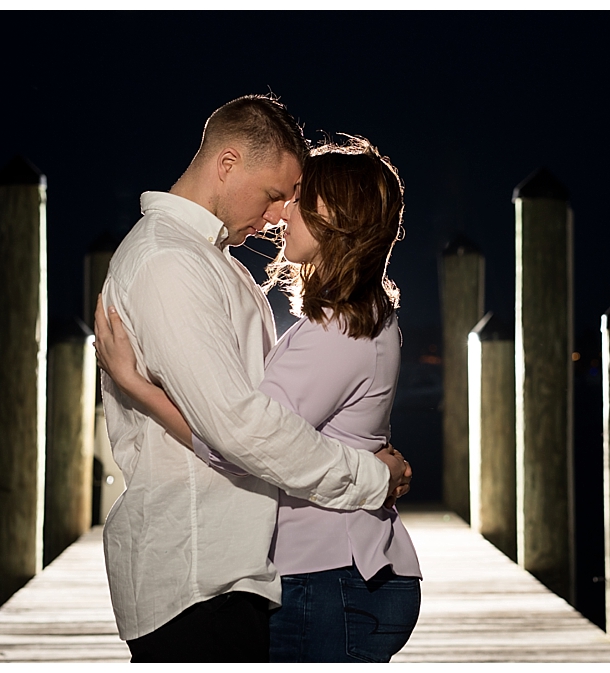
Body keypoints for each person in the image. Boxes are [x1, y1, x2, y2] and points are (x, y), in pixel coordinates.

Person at [95, 94, 410, 663]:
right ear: (228, 162)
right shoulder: (170, 263)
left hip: (235, 575)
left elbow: (262, 417)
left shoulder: (216, 264)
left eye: (290, 201)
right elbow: (240, 429)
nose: (276, 216)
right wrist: (369, 477)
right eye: (273, 195)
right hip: (196, 577)